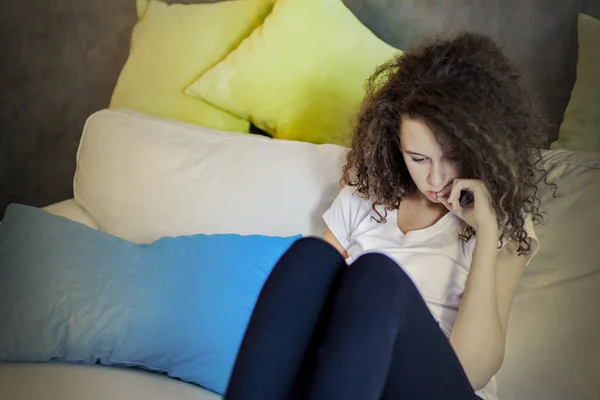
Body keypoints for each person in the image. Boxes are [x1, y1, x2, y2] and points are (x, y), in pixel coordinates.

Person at [224, 31, 552, 400]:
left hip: (443, 388)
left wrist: (487, 230)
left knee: (377, 277)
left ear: (481, 143)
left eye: (451, 156)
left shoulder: (504, 221)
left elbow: (472, 371)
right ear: (396, 146)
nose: (436, 178)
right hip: (352, 380)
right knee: (310, 257)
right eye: (419, 158)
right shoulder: (364, 200)